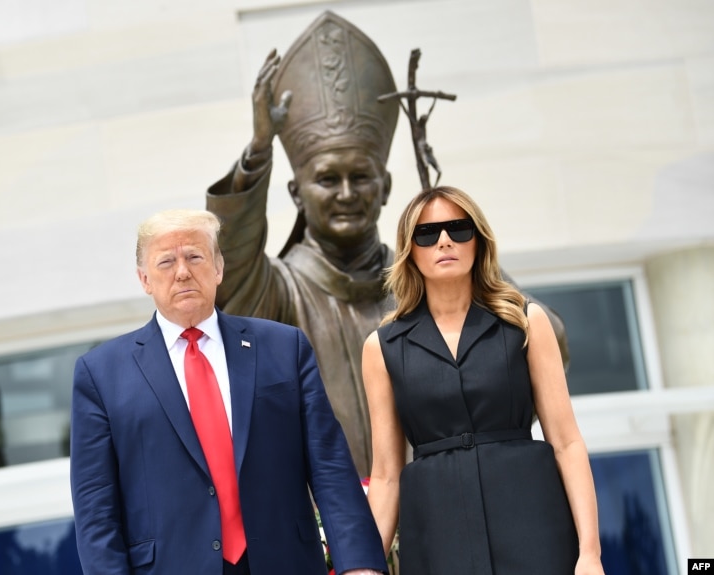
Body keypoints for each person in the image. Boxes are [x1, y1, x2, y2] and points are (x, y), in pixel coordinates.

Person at [69, 208, 388, 575]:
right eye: (166, 262)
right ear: (144, 279)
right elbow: (96, 509)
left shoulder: (284, 347)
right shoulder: (101, 374)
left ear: (218, 268)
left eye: (194, 256)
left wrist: (359, 564)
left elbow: (329, 465)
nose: (183, 272)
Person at [362, 186, 604, 574]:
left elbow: (567, 442)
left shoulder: (525, 321)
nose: (444, 241)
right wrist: (366, 565)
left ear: (479, 241)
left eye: (459, 229)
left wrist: (589, 553)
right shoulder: (383, 347)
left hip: (533, 524)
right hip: (437, 537)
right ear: (410, 250)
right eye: (427, 233)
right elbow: (387, 475)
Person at [207, 11, 400, 477]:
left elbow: (541, 333)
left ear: (387, 186)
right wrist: (259, 148)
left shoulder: (423, 283)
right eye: (328, 179)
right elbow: (228, 262)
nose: (348, 194)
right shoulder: (278, 293)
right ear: (297, 193)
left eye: (361, 177)